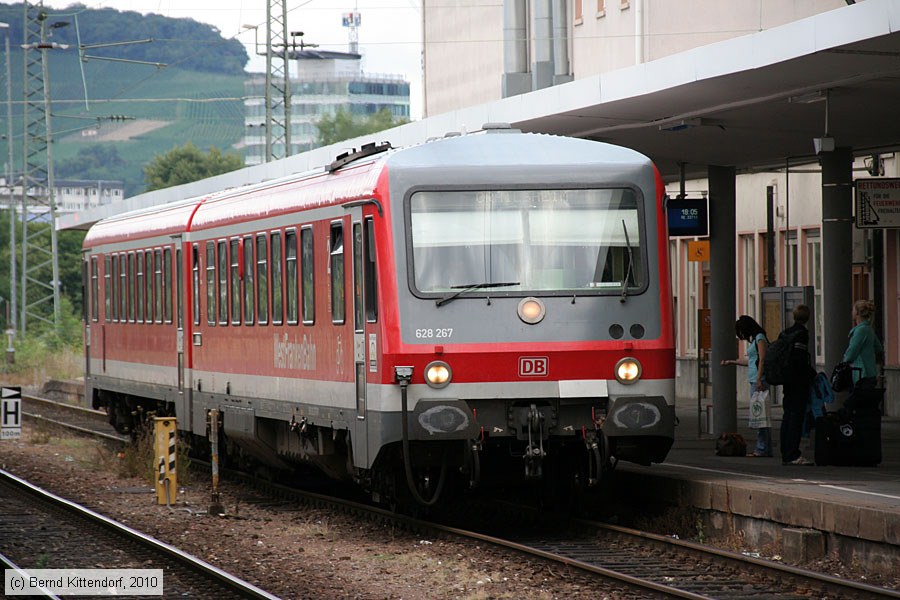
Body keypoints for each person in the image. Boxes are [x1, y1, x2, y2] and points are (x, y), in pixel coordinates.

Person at [721, 315, 772, 457]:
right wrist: (732, 362)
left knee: (759, 415)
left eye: (742, 332)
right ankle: (764, 447)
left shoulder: (760, 338)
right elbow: (751, 361)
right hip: (754, 380)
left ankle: (762, 448)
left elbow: (762, 359)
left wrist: (758, 379)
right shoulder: (755, 339)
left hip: (758, 380)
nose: (742, 336)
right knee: (760, 416)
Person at [779, 305, 814, 466]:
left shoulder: (785, 333)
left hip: (786, 379)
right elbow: (800, 359)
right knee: (797, 417)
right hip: (798, 381)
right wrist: (811, 375)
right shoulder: (802, 334)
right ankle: (793, 453)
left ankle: (785, 451)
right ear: (807, 318)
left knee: (787, 415)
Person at [843, 299, 883, 391]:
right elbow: (878, 348)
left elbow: (851, 353)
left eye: (853, 310)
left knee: (853, 403)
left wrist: (844, 361)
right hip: (871, 373)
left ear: (857, 313)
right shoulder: (869, 329)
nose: (852, 312)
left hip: (861, 374)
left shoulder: (860, 331)